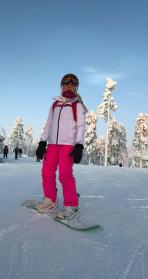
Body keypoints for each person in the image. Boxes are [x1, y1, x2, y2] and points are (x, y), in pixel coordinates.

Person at [35, 73, 87, 219]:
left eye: (72, 84)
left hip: (68, 145)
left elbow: (81, 126)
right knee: (47, 171)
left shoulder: (77, 105)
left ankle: (71, 205)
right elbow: (49, 124)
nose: (69, 86)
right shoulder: (55, 105)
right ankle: (50, 200)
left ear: (76, 88)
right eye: (66, 83)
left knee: (65, 175)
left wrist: (79, 146)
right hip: (52, 145)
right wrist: (42, 142)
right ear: (62, 86)